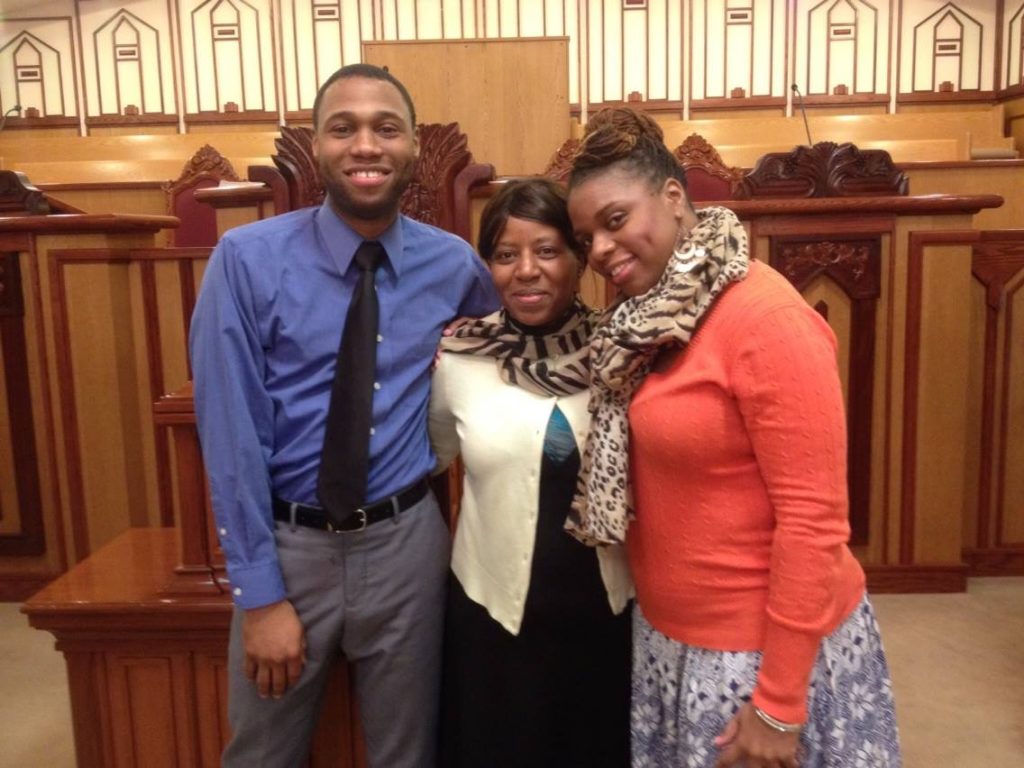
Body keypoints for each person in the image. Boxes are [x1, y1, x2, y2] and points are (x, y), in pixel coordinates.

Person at [564, 108, 901, 768]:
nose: (601, 250)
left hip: (760, 656)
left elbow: (814, 522)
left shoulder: (764, 316)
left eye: (614, 221)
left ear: (673, 199)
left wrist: (778, 702)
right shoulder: (640, 324)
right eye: (586, 238)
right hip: (674, 642)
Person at [189, 64, 498, 768]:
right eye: (344, 128)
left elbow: (511, 360)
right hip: (288, 545)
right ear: (316, 146)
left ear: (414, 147)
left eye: (386, 128)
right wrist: (260, 594)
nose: (366, 145)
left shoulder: (454, 266)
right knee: (261, 754)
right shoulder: (244, 261)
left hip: (406, 544)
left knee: (408, 753)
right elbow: (232, 437)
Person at [429, 178, 633, 767]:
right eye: (505, 254)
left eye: (546, 250)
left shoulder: (623, 351)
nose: (526, 270)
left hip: (605, 612)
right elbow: (433, 455)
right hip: (494, 617)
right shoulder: (459, 360)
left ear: (578, 256)